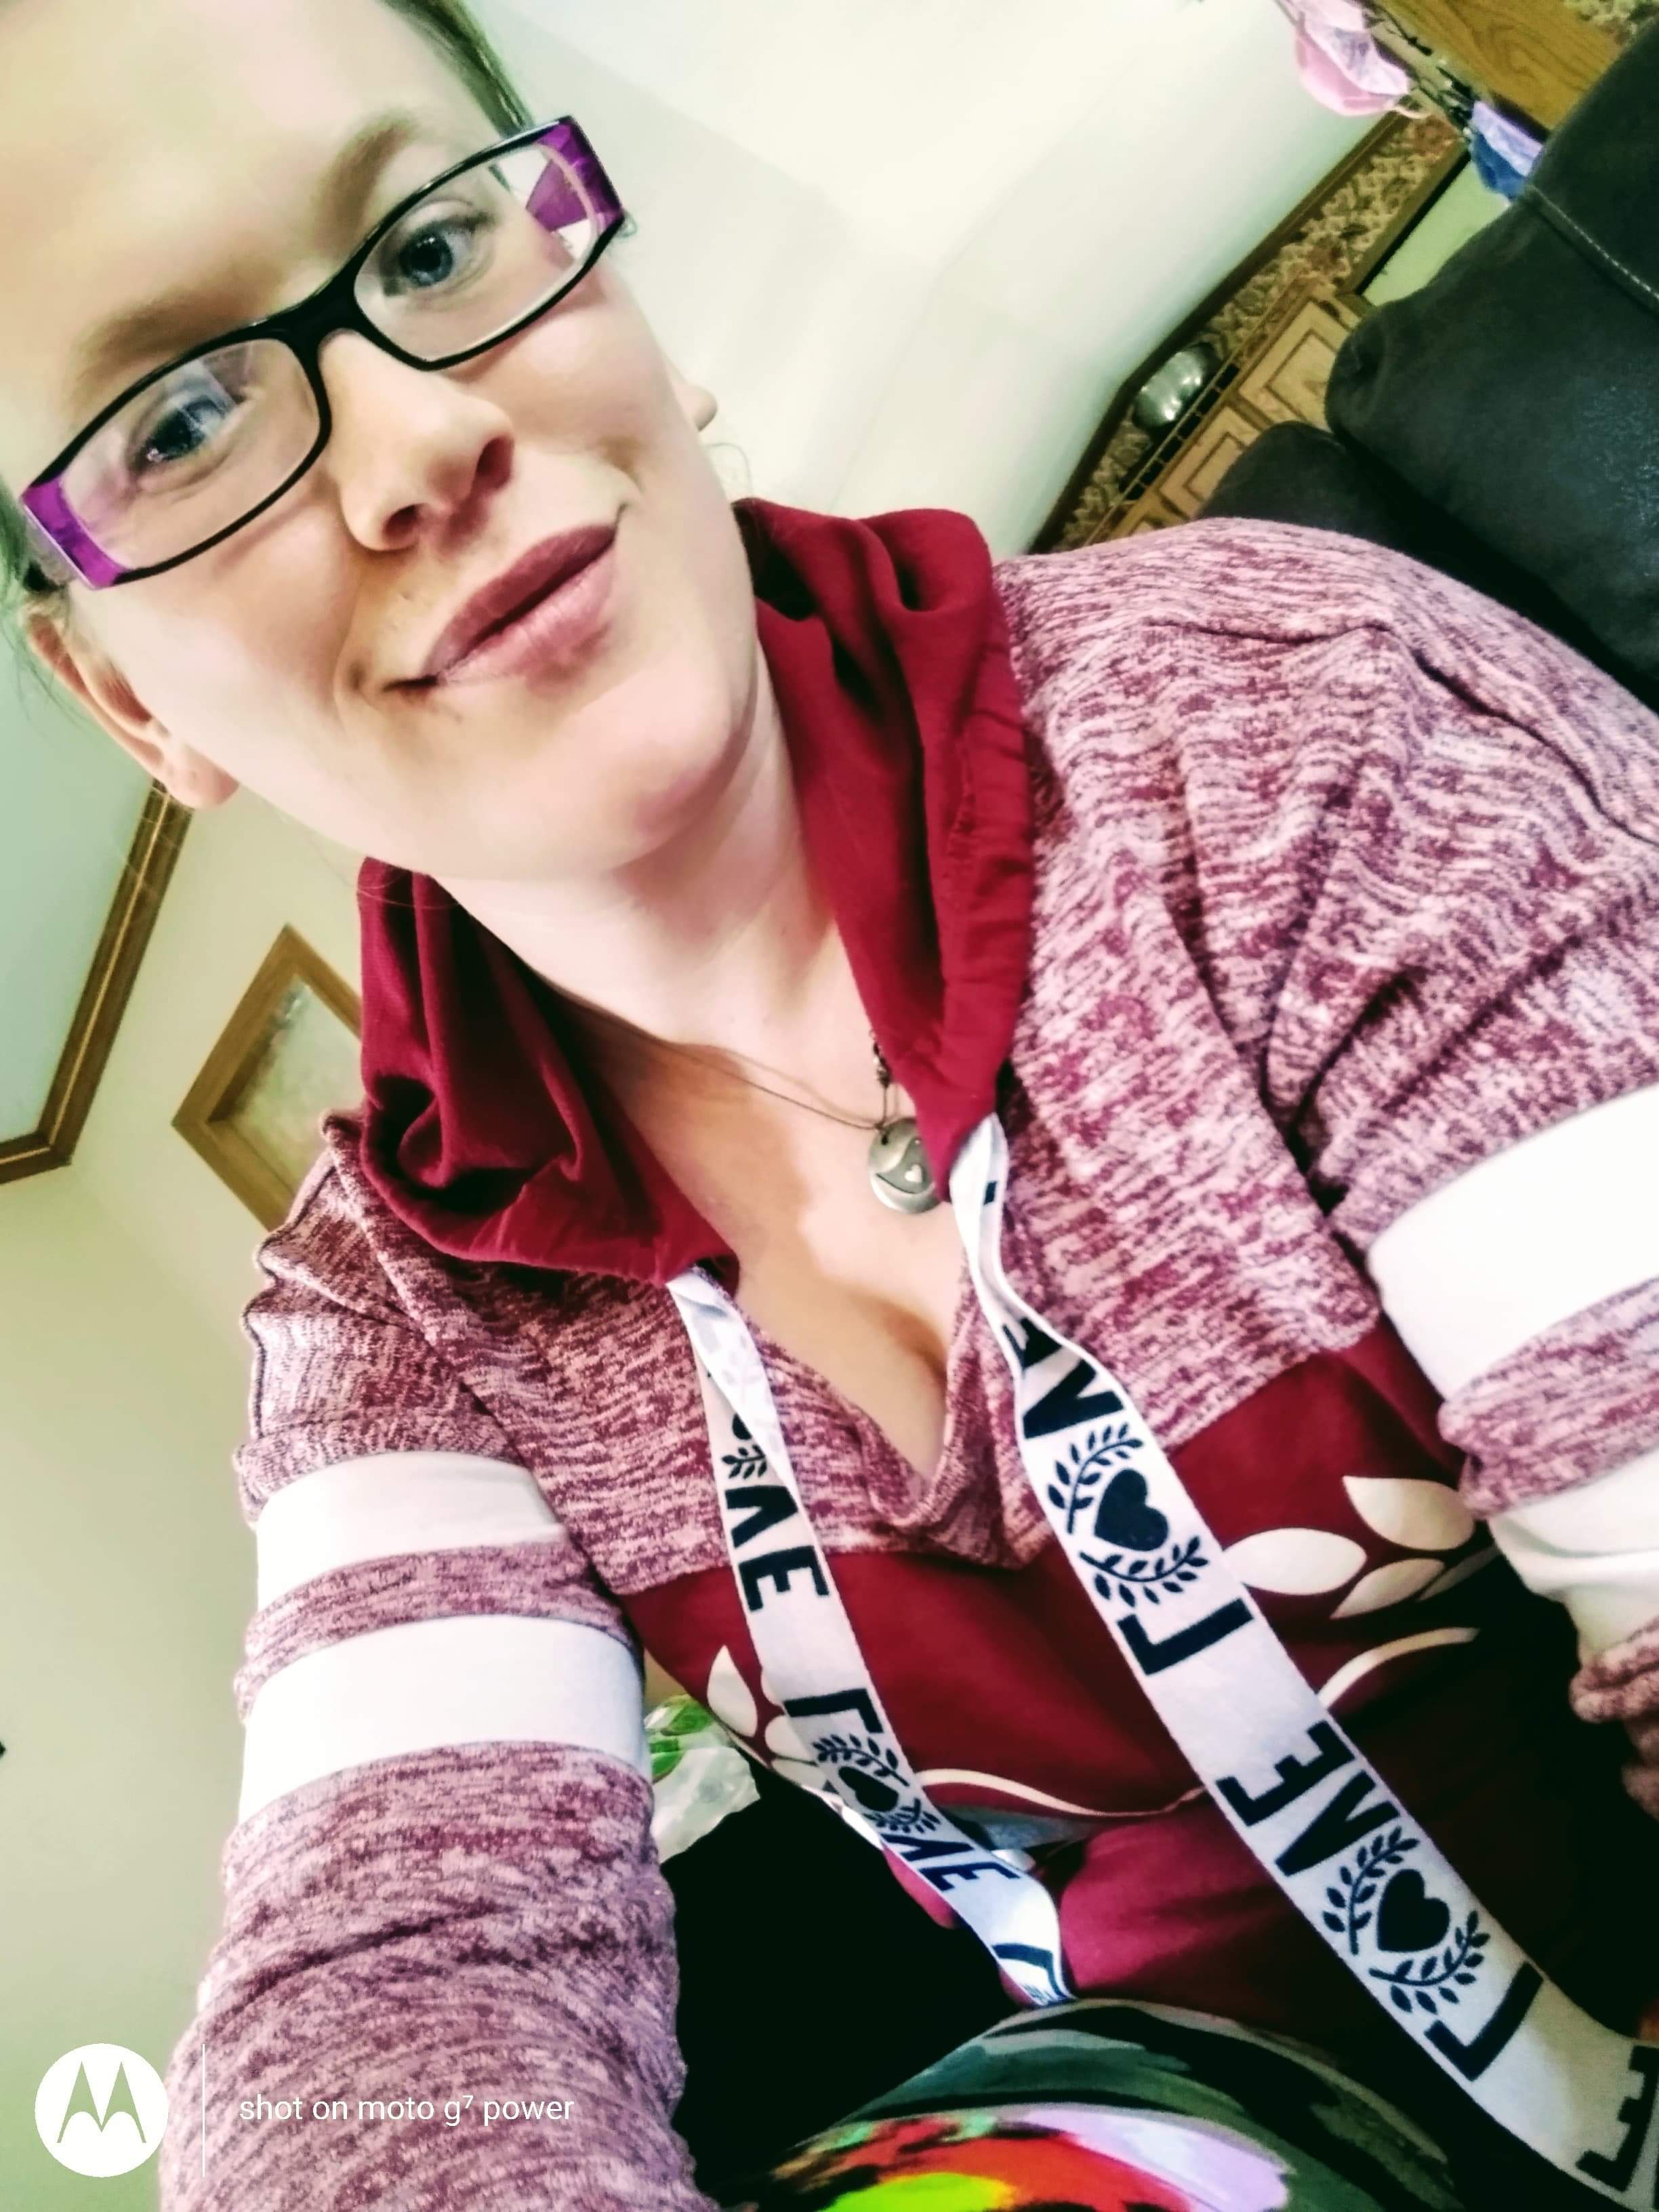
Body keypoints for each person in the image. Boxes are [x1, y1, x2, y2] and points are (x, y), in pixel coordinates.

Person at [1, 1, 1656, 2206]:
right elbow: (394, 1999)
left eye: (429, 246)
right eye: (183, 419)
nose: (418, 436)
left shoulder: (1299, 736)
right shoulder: (392, 1322)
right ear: (130, 702)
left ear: (623, 305)